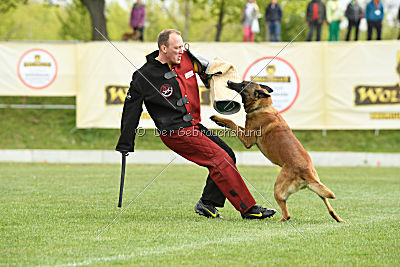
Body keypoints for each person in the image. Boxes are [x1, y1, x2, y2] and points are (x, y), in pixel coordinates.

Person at [116, 29, 276, 220]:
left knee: (228, 155)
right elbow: (131, 110)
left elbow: (209, 71)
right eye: (176, 48)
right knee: (219, 159)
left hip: (193, 126)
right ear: (164, 48)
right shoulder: (144, 76)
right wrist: (126, 143)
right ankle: (248, 209)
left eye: (182, 47)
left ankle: (207, 203)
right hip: (174, 132)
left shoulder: (188, 58)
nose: (181, 51)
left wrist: (219, 78)